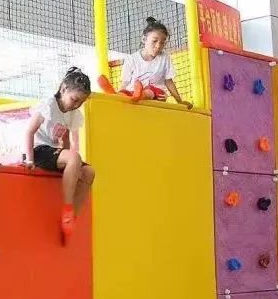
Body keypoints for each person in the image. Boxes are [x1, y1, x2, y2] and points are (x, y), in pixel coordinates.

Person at [24, 67, 96, 244]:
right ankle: (67, 208)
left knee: (89, 172)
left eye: (81, 102)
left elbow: (65, 138)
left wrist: (71, 162)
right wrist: (29, 159)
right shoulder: (48, 105)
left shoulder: (72, 113)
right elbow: (29, 131)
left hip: (53, 151)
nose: (76, 105)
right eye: (74, 100)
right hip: (39, 150)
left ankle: (71, 219)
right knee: (74, 158)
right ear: (63, 89)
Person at [98, 17, 193, 108]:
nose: (158, 46)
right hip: (133, 92)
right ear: (144, 39)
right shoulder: (131, 59)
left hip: (157, 94)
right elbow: (125, 82)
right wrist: (121, 92)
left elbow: (168, 81)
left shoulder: (164, 58)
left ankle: (139, 95)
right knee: (125, 93)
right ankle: (114, 95)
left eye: (162, 42)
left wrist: (179, 101)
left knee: (149, 90)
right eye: (154, 41)